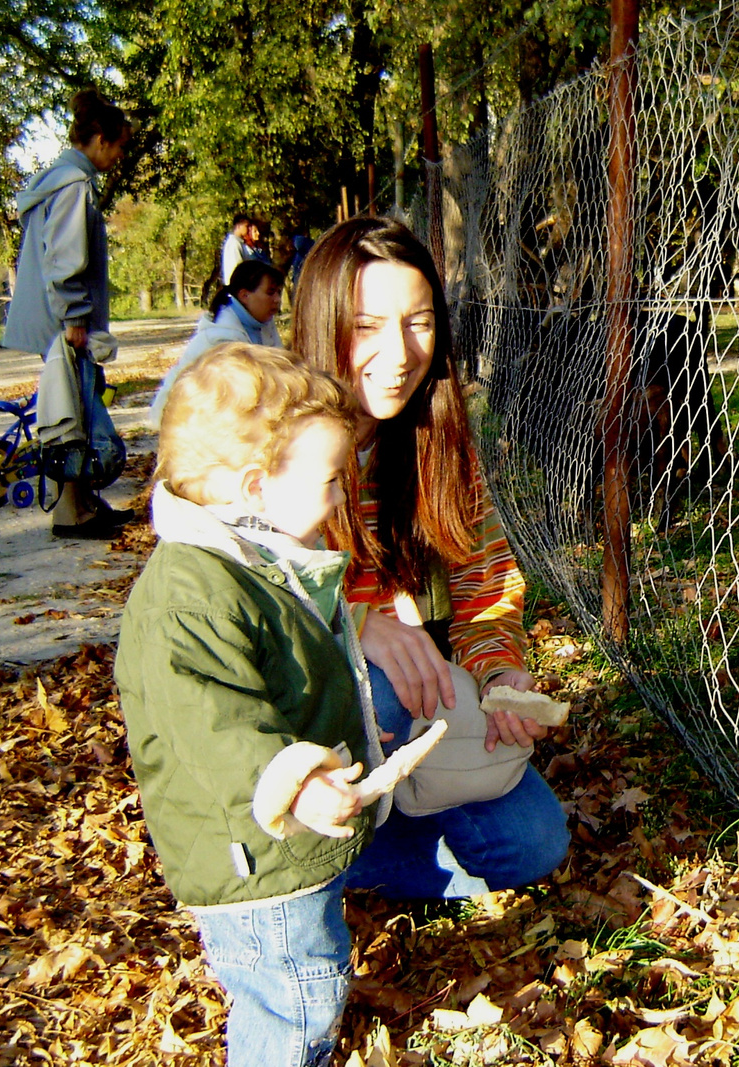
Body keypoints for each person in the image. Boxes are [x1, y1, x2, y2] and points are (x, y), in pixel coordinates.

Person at [115, 344, 382, 1065]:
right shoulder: (188, 595)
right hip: (251, 857)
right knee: (295, 991)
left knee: (305, 970)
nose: (339, 498)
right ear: (257, 485)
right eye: (330, 480)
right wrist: (296, 779)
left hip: (276, 845)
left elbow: (292, 674)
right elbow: (219, 725)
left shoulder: (253, 561)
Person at [291, 216, 569, 898]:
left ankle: (365, 844)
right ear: (324, 322)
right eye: (368, 325)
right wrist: (355, 625)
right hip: (302, 715)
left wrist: (499, 665)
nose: (398, 352)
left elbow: (483, 582)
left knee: (534, 843)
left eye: (418, 322)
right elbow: (232, 596)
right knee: (380, 683)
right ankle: (302, 842)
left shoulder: (436, 436)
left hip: (415, 704)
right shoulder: (273, 434)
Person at [1, 88, 134, 539]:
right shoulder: (74, 185)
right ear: (98, 139)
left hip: (58, 319)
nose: (118, 156)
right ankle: (71, 516)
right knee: (74, 417)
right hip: (65, 322)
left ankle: (82, 505)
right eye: (117, 146)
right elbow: (65, 257)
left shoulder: (60, 179)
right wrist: (75, 317)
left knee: (73, 410)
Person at [148, 260, 284, 424]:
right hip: (182, 421)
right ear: (244, 295)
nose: (277, 299)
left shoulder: (262, 323)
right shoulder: (222, 337)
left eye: (278, 292)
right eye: (270, 292)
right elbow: (249, 393)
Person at [218, 214, 253, 292]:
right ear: (238, 226)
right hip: (236, 288)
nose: (248, 229)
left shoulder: (238, 243)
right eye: (246, 226)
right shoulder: (234, 243)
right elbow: (238, 267)